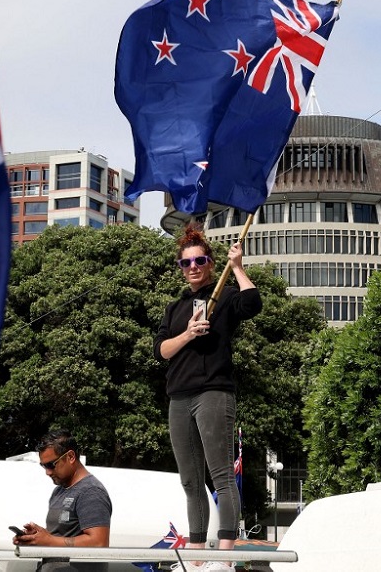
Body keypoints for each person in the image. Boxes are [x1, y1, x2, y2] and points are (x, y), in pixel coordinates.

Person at [155, 224, 262, 572]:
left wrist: (239, 267)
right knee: (189, 479)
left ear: (211, 263)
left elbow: (253, 303)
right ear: (181, 268)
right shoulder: (175, 309)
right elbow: (162, 351)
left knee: (221, 474)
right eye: (186, 263)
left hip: (214, 392)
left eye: (200, 260)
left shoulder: (225, 296)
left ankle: (225, 556)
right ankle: (197, 554)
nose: (193, 267)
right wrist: (187, 333)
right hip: (179, 397)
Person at [13, 430, 112, 572]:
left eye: (51, 465)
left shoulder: (91, 491)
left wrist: (49, 541)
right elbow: (60, 536)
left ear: (71, 456)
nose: (47, 472)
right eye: (43, 466)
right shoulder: (59, 490)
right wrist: (36, 538)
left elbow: (99, 543)